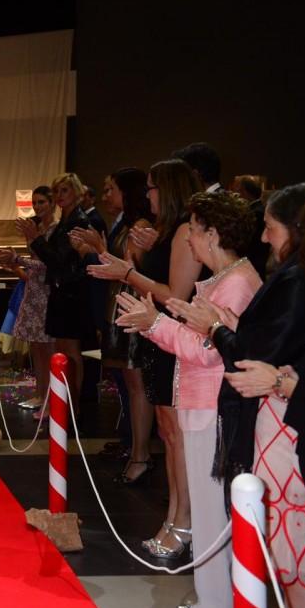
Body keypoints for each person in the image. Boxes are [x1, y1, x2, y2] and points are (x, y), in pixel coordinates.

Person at [116, 191, 261, 608]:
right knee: (208, 505)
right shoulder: (226, 278)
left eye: (193, 231)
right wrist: (157, 324)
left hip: (214, 404)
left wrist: (155, 324)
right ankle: (212, 598)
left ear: (213, 234)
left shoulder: (235, 282)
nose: (188, 240)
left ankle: (216, 603)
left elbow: (208, 350)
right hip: (205, 402)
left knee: (212, 510)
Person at [215, 185, 305, 608]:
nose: (263, 238)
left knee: (296, 558)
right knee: (288, 557)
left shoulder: (302, 280)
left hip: (290, 428)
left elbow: (273, 352)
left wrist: (218, 331)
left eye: (270, 227)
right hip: (288, 421)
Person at [88, 159, 203, 560]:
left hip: (174, 338)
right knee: (169, 434)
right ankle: (175, 516)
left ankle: (184, 520)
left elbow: (175, 295)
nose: (147, 195)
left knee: (176, 435)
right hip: (160, 337)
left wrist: (127, 273)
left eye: (152, 187)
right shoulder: (168, 230)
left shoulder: (185, 229)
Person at [72, 169, 155, 482]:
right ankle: (133, 447)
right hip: (119, 308)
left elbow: (129, 270)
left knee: (136, 386)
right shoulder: (128, 223)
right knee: (129, 385)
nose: (107, 195)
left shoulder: (140, 226)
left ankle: (140, 454)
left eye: (112, 190)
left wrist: (98, 249)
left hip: (131, 308)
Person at [18, 173, 91, 419]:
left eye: (65, 191)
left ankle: (72, 406)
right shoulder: (67, 220)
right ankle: (64, 403)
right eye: (57, 191)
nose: (60, 196)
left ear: (77, 192)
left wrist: (36, 239)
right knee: (61, 350)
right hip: (61, 290)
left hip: (70, 292)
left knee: (69, 352)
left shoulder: (76, 221)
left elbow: (58, 260)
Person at [0, 186, 57, 413]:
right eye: (35, 202)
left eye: (42, 202)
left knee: (48, 348)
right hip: (32, 290)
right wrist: (14, 265)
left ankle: (52, 397)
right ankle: (40, 394)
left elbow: (48, 264)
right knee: (36, 348)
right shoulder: (35, 227)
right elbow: (33, 267)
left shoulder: (56, 229)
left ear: (52, 203)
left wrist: (18, 259)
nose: (37, 206)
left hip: (48, 292)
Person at [231, 174, 270, 280]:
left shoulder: (256, 213)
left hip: (253, 266)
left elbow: (248, 243)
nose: (235, 195)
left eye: (236, 191)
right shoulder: (258, 209)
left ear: (244, 191)